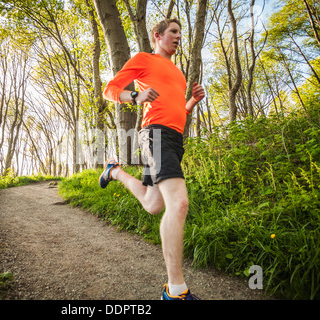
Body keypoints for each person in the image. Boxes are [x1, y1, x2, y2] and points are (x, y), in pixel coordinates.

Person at [99, 18, 205, 300]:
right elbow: (109, 90)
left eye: (180, 32)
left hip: (173, 139)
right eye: (173, 31)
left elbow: (176, 110)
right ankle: (175, 291)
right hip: (155, 135)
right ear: (157, 36)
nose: (178, 36)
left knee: (153, 204)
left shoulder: (179, 74)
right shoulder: (144, 59)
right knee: (179, 203)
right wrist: (136, 95)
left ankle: (114, 172)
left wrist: (191, 103)